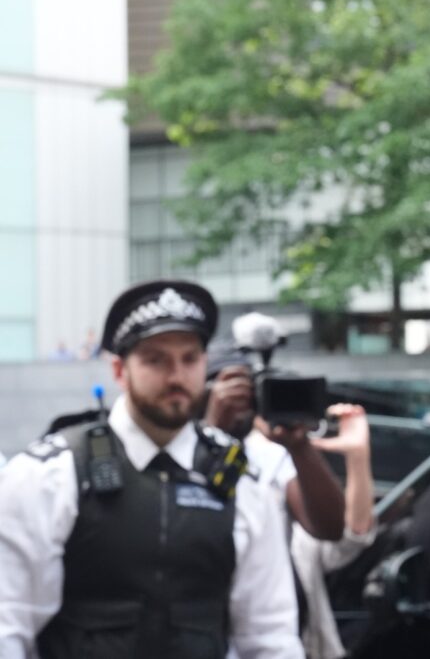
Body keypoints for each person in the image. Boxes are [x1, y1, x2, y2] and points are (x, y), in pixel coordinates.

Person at [0, 280, 304, 659]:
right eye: (155, 360)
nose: (176, 376)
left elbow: (270, 636)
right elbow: (9, 622)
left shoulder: (242, 482)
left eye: (189, 359)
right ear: (119, 370)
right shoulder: (50, 476)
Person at [204, 344, 375, 659]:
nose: (237, 403)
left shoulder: (270, 458)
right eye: (226, 390)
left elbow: (334, 531)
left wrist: (299, 444)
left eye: (246, 393)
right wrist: (212, 431)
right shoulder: (180, 454)